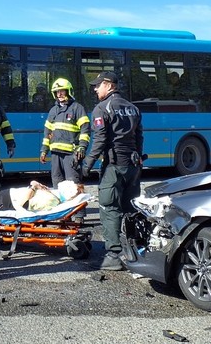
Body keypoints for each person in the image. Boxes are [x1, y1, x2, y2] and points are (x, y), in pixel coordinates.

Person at [82, 72, 144, 271]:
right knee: (131, 210)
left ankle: (113, 256)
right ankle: (135, 253)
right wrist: (138, 157)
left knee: (109, 209)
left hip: (114, 166)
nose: (95, 89)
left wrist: (86, 166)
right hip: (133, 166)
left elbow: (100, 140)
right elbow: (139, 136)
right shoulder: (133, 108)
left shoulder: (102, 109)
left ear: (108, 85)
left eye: (97, 85)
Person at [40, 78, 91, 187]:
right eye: (57, 92)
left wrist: (82, 147)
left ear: (68, 91)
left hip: (71, 154)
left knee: (73, 185)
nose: (59, 94)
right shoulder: (53, 110)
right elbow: (47, 132)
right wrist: (44, 151)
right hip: (55, 155)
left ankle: (76, 204)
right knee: (57, 184)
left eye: (62, 91)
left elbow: (85, 129)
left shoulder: (77, 108)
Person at [0, 179, 82, 212]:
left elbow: (22, 203)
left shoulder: (51, 200)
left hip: (8, 201)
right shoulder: (53, 197)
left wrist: (34, 186)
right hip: (9, 195)